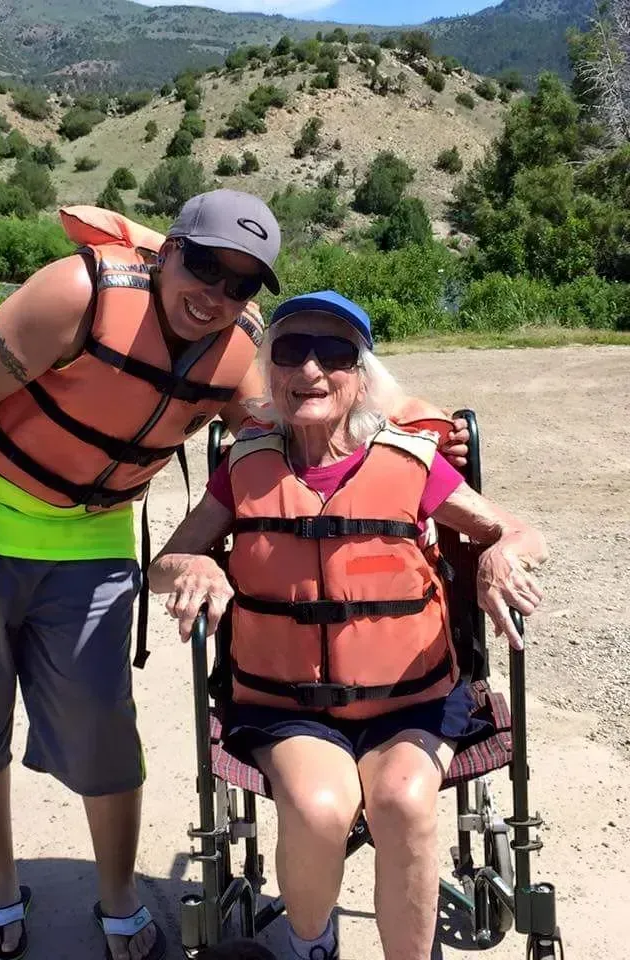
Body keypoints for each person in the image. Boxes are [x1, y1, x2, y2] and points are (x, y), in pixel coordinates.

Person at [0, 190, 285, 960]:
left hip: (89, 541)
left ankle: (117, 896)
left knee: (101, 728)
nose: (214, 294)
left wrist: (416, 442)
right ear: (169, 250)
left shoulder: (240, 353)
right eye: (205, 265)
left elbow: (295, 429)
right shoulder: (78, 292)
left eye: (240, 283)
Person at [149, 291, 548, 960]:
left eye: (333, 354)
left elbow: (519, 530)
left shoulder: (410, 464)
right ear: (269, 372)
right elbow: (166, 565)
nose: (310, 370)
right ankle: (313, 942)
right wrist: (200, 569)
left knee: (404, 800)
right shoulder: (242, 470)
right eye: (290, 351)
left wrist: (501, 552)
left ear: (361, 376)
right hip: (285, 705)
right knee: (317, 805)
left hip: (412, 699)